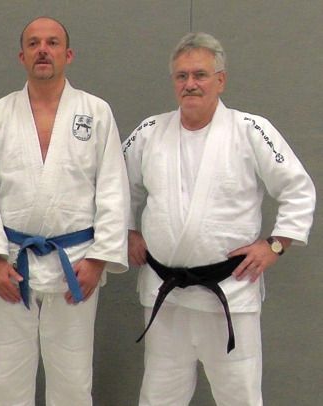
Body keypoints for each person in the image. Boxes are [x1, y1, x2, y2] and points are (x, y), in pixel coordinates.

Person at [123, 32, 316, 406]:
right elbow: (116, 187)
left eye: (200, 75)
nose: (190, 84)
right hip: (166, 295)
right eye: (182, 76)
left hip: (230, 293)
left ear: (221, 80)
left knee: (239, 397)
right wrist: (128, 230)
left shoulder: (251, 130)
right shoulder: (150, 132)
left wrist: (275, 245)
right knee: (158, 397)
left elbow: (298, 189)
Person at [0, 17, 129, 405]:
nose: (43, 50)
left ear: (68, 55)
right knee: (4, 381)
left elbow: (112, 188)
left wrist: (99, 259)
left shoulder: (96, 112)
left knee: (73, 382)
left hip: (76, 262)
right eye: (34, 43)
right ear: (21, 56)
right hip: (11, 263)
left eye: (52, 43)